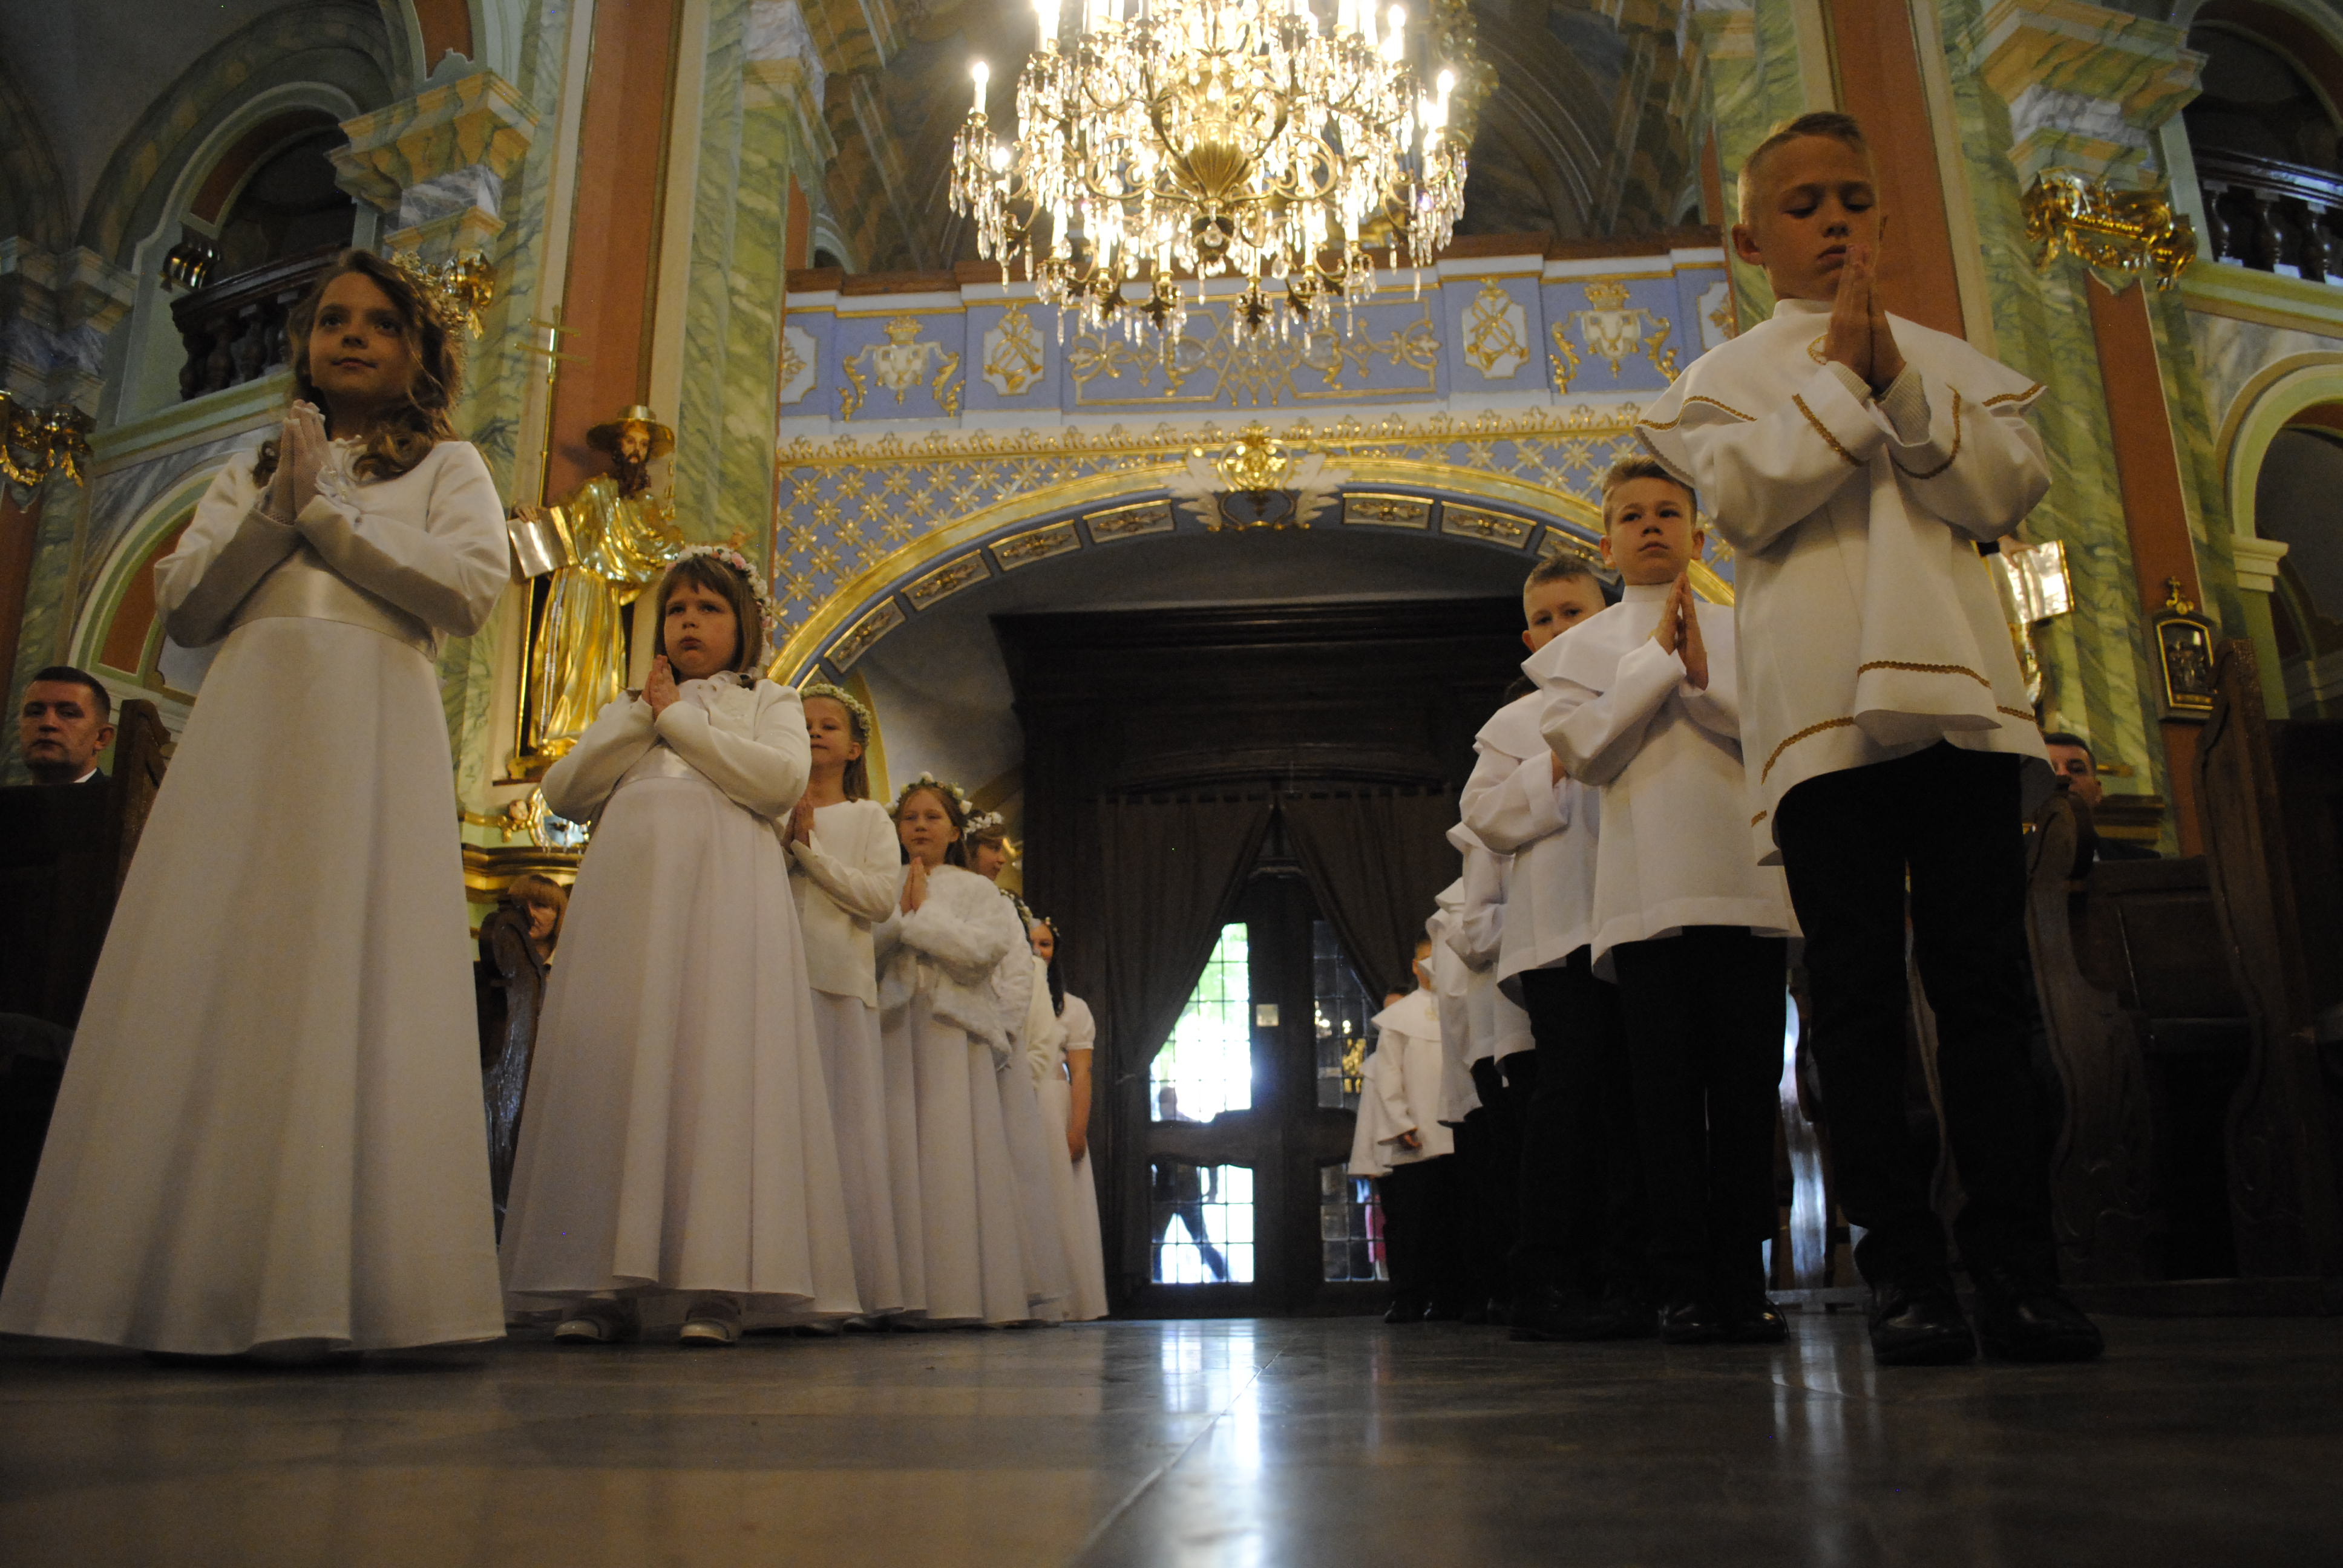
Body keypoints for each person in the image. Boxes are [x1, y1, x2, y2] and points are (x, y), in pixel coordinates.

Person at [1635, 110, 2100, 1364]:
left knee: (1987, 992)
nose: (1835, 221)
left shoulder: (1947, 358)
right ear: (1746, 238)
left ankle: (2016, 1264)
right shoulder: (1719, 384)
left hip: (1963, 700)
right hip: (1819, 714)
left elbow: (1999, 493)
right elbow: (1743, 502)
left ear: (1881, 217)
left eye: (1854, 198)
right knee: (1852, 1002)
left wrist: (1891, 374)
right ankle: (1905, 1272)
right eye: (1803, 205)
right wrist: (1843, 377)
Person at [0, 249, 508, 1358]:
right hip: (252, 719)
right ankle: (169, 1273)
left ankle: (342, 1279)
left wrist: (323, 519)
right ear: (305, 342)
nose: (351, 335)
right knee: (226, 957)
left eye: (379, 321)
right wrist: (279, 503)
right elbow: (185, 606)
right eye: (331, 319)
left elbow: (467, 590)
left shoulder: (450, 462)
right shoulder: (251, 459)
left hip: (371, 712)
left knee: (348, 962)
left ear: (419, 350)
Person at [499, 547, 857, 1347]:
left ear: (746, 625)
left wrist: (677, 719)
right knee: (621, 1067)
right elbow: (565, 793)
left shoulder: (771, 700)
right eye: (677, 609)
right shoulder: (632, 704)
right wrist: (640, 714)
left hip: (725, 900)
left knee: (713, 1067)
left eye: (708, 608)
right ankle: (601, 1281)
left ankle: (717, 1285)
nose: (688, 622)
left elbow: (773, 785)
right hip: (628, 906)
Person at [1530, 458, 1798, 1345]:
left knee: (1750, 1094)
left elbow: (1777, 729)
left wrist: (1702, 671)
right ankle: (1681, 1283)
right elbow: (1588, 752)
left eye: (1669, 513)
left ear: (1698, 531)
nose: (1651, 527)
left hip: (1748, 886)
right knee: (1665, 1102)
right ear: (1604, 541)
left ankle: (1742, 1279)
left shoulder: (1750, 625)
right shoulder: (1577, 650)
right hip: (1644, 898)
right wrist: (1663, 667)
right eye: (1632, 516)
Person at [1461, 554, 1641, 1342]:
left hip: (1638, 915)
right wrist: (1560, 764)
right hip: (1560, 929)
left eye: (1577, 612)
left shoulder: (1644, 694)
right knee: (1567, 1098)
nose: (1562, 629)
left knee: (1639, 1099)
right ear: (1527, 636)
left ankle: (1634, 1272)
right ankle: (1547, 1276)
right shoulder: (1513, 725)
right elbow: (1487, 818)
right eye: (1548, 618)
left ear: (1607, 616)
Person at [876, 777, 1033, 1325]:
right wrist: (897, 916)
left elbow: (979, 953)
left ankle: (955, 1288)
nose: (919, 825)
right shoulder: (882, 880)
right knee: (895, 1145)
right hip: (894, 1023)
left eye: (932, 817)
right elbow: (865, 945)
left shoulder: (977, 891)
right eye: (910, 817)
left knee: (947, 1147)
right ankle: (890, 1290)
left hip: (950, 1029)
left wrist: (919, 920)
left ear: (954, 830)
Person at [787, 682, 911, 1321]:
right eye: (802, 722)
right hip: (775, 979)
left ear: (854, 747)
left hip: (836, 982)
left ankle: (839, 1285)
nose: (813, 732)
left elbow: (876, 900)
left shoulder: (867, 819)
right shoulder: (765, 808)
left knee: (839, 1132)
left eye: (828, 725)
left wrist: (806, 852)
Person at [965, 815, 1071, 1322]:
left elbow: (1030, 1013)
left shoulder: (1008, 910)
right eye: (989, 847)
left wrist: (1014, 1066)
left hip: (998, 1054)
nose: (1001, 858)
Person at [1365, 936, 1471, 1322]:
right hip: (1415, 1132)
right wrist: (1400, 1120)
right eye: (1425, 961)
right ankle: (1408, 1296)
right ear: (1415, 966)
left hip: (1457, 1129)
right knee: (1413, 1222)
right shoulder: (1399, 1018)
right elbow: (1388, 1071)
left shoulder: (1459, 1004)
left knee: (1454, 1218)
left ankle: (1452, 1296)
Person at [1028, 918, 1109, 1321]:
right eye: (1030, 943)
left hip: (1052, 1104)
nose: (1037, 951)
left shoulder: (1073, 1008)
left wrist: (1077, 1128)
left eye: (1045, 944)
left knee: (1059, 1199)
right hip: (1013, 1098)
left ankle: (1065, 1299)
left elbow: (1081, 1073)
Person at [1150, 1087, 1228, 1282]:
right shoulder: (1161, 1129)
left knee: (1199, 1241)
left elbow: (1211, 1158)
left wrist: (1213, 1189)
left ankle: (1222, 1276)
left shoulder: (1180, 1128)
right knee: (1157, 1244)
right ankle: (1156, 1281)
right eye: (1163, 1103)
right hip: (1167, 1194)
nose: (1164, 1107)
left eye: (1166, 1103)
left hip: (1183, 1194)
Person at [2042, 731, 2158, 861]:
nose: (2063, 775)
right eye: (2050, 769)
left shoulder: (2141, 862)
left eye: (2077, 769)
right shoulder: (2015, 862)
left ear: (2098, 792)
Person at [17, 667, 114, 785]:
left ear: (101, 738)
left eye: (68, 714)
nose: (47, 723)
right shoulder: (8, 801)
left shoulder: (120, 801)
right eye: (35, 712)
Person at [505, 873, 569, 962]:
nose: (528, 912)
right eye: (519, 904)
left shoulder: (569, 965)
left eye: (539, 905)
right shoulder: (492, 963)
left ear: (559, 915)